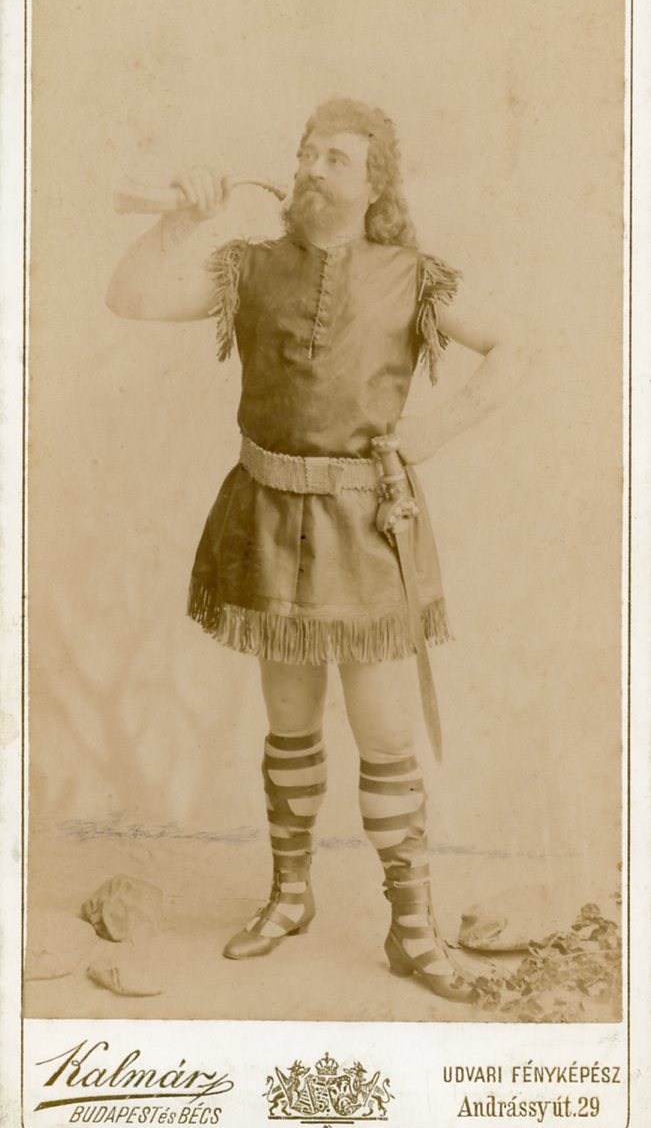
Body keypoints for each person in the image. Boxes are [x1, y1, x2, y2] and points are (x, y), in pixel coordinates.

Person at [106, 97, 528, 1004]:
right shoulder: (249, 267)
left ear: (376, 182)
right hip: (265, 523)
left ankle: (410, 929)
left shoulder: (412, 275)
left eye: (334, 157)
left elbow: (512, 348)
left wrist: (434, 431)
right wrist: (180, 221)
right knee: (289, 719)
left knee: (385, 732)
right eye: (305, 152)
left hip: (369, 532)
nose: (309, 168)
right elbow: (129, 297)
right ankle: (289, 897)